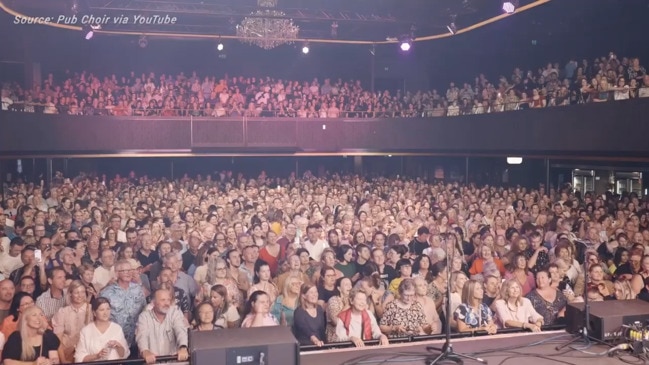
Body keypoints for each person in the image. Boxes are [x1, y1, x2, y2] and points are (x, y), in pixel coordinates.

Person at [100, 259, 147, 354]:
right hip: (115, 341)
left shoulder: (138, 289)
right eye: (124, 271)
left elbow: (145, 310)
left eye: (130, 270)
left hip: (136, 340)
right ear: (117, 273)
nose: (128, 273)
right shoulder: (107, 293)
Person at [136, 289, 189, 365]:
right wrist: (145, 351)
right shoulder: (144, 317)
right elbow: (142, 336)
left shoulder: (175, 313)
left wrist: (183, 347)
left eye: (168, 300)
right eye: (163, 300)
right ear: (154, 302)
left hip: (174, 362)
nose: (167, 303)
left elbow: (180, 330)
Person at [75, 297, 130, 362]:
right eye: (102, 310)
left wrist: (118, 346)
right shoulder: (86, 331)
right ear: (94, 313)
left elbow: (124, 355)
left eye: (108, 309)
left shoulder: (117, 328)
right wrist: (97, 356)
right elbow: (79, 358)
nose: (105, 313)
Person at [51, 280, 92, 363]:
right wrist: (63, 360)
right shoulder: (63, 312)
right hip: (65, 352)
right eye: (76, 292)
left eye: (82, 292)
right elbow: (58, 339)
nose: (80, 295)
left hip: (86, 353)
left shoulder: (92, 310)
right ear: (70, 294)